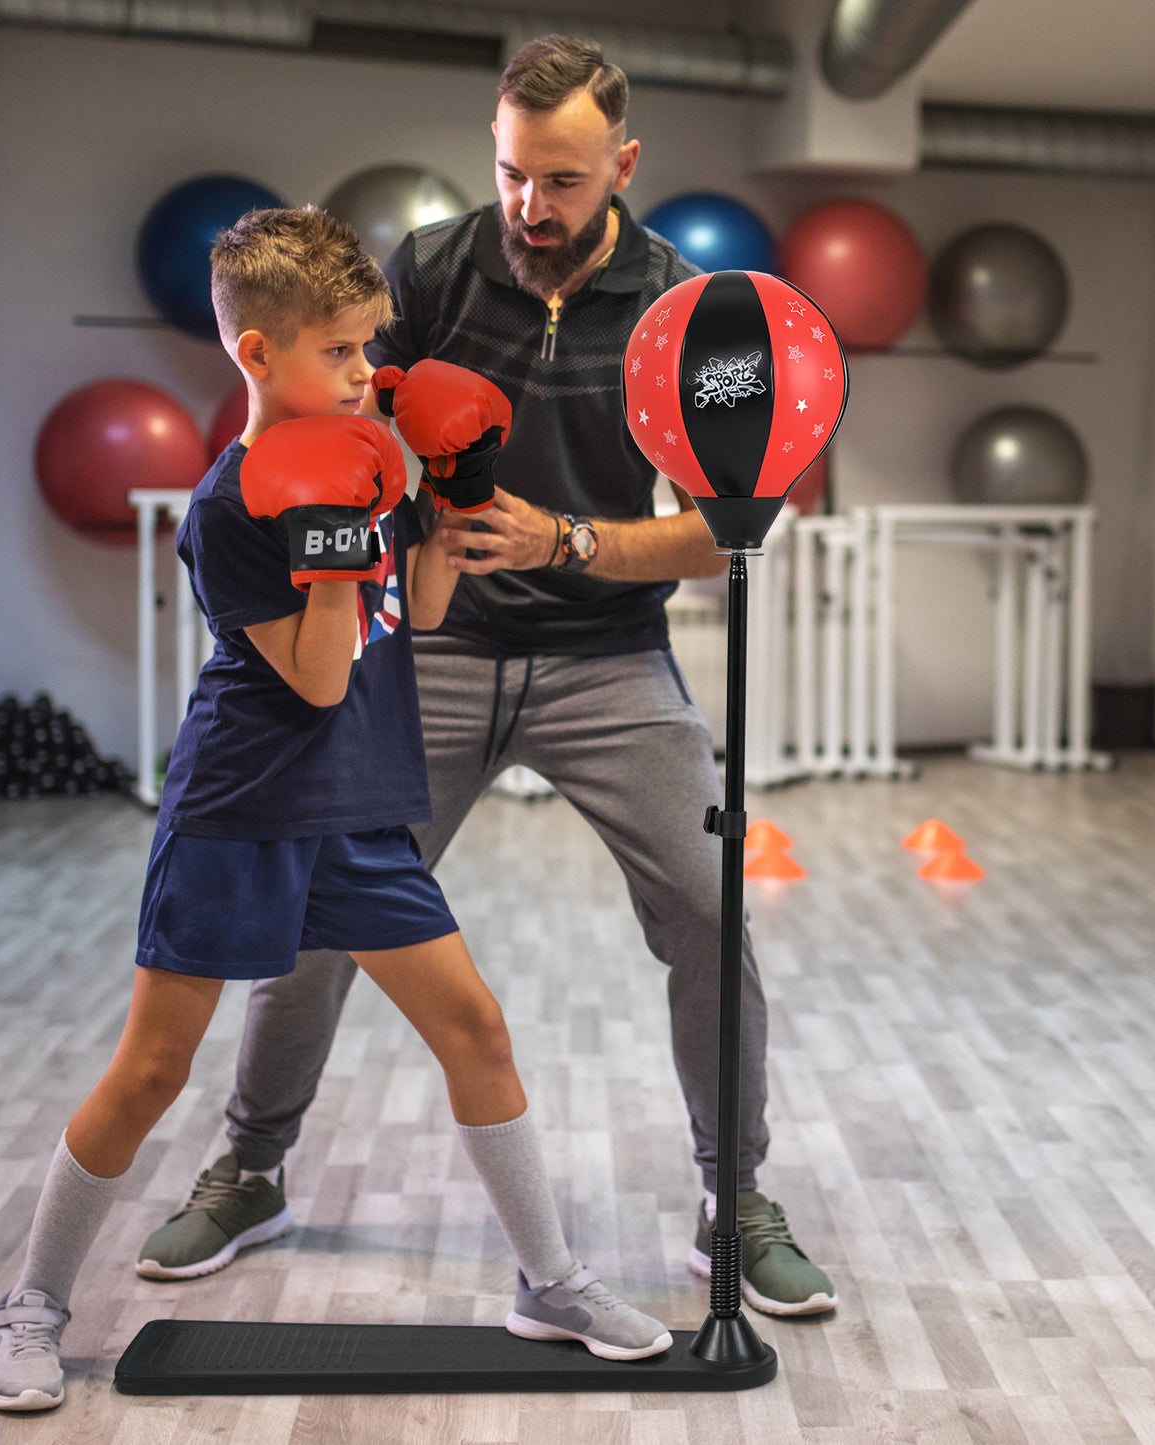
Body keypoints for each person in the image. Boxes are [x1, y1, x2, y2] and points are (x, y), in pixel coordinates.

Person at [137, 36, 837, 1319]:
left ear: (622, 163)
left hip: (606, 660)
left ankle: (730, 1197)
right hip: (440, 646)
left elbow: (725, 521)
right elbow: (338, 418)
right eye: (512, 172)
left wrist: (566, 537)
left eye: (561, 180)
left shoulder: (680, 306)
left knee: (707, 903)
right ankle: (250, 1163)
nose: (529, 204)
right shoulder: (438, 265)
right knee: (313, 907)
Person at [0, 206, 674, 1413]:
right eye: (341, 351)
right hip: (242, 809)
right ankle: (28, 1304)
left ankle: (547, 1280)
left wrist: (450, 502)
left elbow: (423, 614)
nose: (367, 374)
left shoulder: (359, 466)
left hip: (356, 809)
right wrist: (341, 536)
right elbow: (310, 671)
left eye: (369, 348)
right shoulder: (235, 502)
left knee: (477, 1030)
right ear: (258, 355)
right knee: (152, 1069)